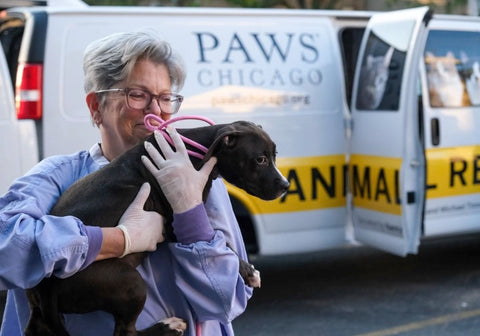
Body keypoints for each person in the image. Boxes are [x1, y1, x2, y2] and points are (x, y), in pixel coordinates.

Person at [0, 30, 254, 336]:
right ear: (96, 107)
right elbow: (6, 248)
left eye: (165, 98)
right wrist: (117, 239)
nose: (155, 110)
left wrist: (191, 215)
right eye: (137, 94)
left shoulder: (198, 183)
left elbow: (227, 302)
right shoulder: (58, 176)